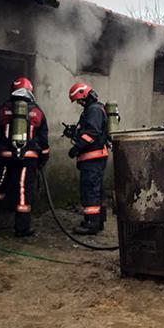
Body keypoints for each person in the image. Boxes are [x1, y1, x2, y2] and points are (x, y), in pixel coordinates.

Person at [0, 77, 50, 237]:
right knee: (23, 191)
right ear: (30, 90)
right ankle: (22, 228)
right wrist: (43, 159)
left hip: (4, 156)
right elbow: (43, 140)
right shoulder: (37, 111)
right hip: (28, 158)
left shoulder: (2, 109)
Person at [68, 82, 109, 235]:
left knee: (90, 190)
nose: (79, 103)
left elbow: (91, 133)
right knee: (96, 190)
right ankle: (98, 221)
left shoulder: (94, 110)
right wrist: (74, 132)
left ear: (85, 96)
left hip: (92, 159)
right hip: (94, 158)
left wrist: (76, 147)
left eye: (79, 100)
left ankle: (91, 224)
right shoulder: (93, 109)